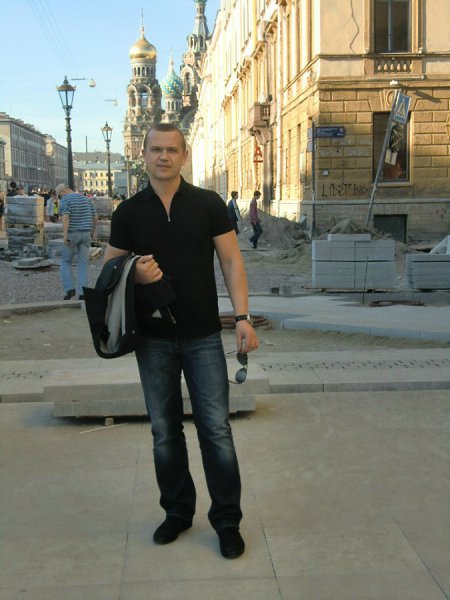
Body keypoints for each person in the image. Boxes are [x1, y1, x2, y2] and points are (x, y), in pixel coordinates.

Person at [103, 123, 259, 559]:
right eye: (156, 149)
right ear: (144, 155)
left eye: (172, 150)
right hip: (152, 339)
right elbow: (108, 269)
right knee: (164, 432)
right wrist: (133, 271)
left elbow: (231, 261)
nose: (163, 157)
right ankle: (177, 512)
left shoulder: (208, 204)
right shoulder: (128, 212)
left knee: (216, 430)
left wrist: (243, 318)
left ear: (184, 155)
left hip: (203, 336)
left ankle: (227, 521)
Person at [56, 183, 98, 301]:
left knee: (66, 261)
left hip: (72, 234)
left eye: (59, 195)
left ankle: (69, 288)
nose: (60, 197)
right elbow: (95, 217)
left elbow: (65, 217)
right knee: (83, 263)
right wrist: (92, 233)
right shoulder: (86, 199)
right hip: (86, 234)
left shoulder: (65, 200)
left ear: (63, 191)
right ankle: (83, 292)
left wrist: (65, 236)